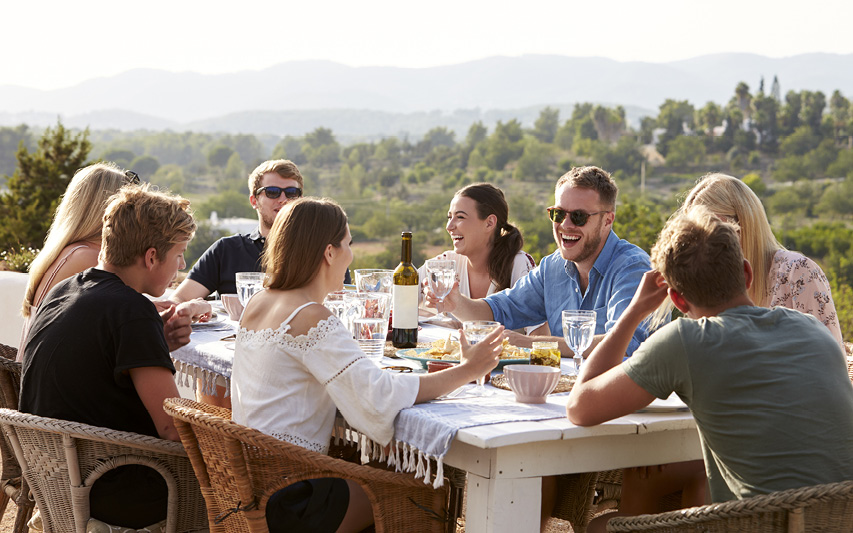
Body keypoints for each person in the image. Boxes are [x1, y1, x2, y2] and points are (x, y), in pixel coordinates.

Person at [566, 206, 853, 533]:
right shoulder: (812, 329)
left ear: (678, 300)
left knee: (600, 527)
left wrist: (634, 311)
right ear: (746, 273)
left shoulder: (686, 341)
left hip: (757, 525)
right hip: (840, 518)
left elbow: (579, 408)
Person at [230, 197, 504, 532]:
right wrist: (468, 370)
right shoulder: (310, 317)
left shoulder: (259, 301)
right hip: (293, 499)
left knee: (388, 468)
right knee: (424, 489)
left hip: (252, 487)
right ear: (329, 253)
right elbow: (378, 397)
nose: (351, 254)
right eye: (348, 244)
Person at [20, 185, 199, 528]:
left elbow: (96, 367)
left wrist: (154, 342)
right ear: (151, 257)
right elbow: (172, 430)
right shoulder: (132, 311)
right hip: (121, 493)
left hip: (59, 486)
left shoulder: (65, 291)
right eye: (179, 254)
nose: (182, 265)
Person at [430, 166, 654, 357]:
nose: (565, 225)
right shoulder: (552, 267)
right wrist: (455, 303)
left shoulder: (633, 268)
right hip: (565, 387)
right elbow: (499, 311)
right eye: (558, 214)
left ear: (607, 220)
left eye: (579, 217)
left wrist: (532, 344)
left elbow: (624, 344)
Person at [18, 162, 206, 360]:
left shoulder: (70, 251)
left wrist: (151, 308)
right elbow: (126, 322)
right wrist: (192, 308)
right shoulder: (91, 258)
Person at [680, 172, 844, 348]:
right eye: (693, 235)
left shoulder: (797, 272)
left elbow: (831, 355)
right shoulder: (708, 284)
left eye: (709, 231)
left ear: (743, 223)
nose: (702, 243)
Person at [172, 159, 352, 302]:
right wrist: (195, 307)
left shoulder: (324, 253)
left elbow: (341, 306)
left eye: (291, 193)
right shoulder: (226, 250)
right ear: (254, 201)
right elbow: (180, 299)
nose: (283, 199)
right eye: (272, 192)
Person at [417, 182, 545, 333]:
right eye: (449, 217)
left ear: (489, 223)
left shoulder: (519, 264)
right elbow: (397, 302)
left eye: (460, 217)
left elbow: (540, 337)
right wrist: (435, 319)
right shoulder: (444, 264)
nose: (449, 226)